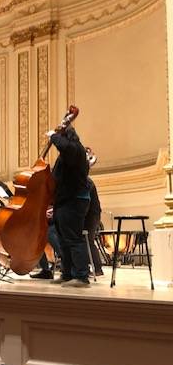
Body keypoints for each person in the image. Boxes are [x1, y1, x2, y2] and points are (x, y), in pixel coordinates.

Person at [47, 112, 91, 288]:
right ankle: (67, 274)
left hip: (74, 200)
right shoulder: (67, 155)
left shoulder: (77, 150)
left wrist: (54, 135)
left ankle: (81, 277)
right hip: (64, 200)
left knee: (73, 238)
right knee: (63, 240)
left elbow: (66, 147)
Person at [85, 147, 103, 276]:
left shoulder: (87, 182)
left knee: (88, 241)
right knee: (86, 241)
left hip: (91, 215)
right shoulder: (86, 181)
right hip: (90, 214)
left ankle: (97, 269)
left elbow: (89, 204)